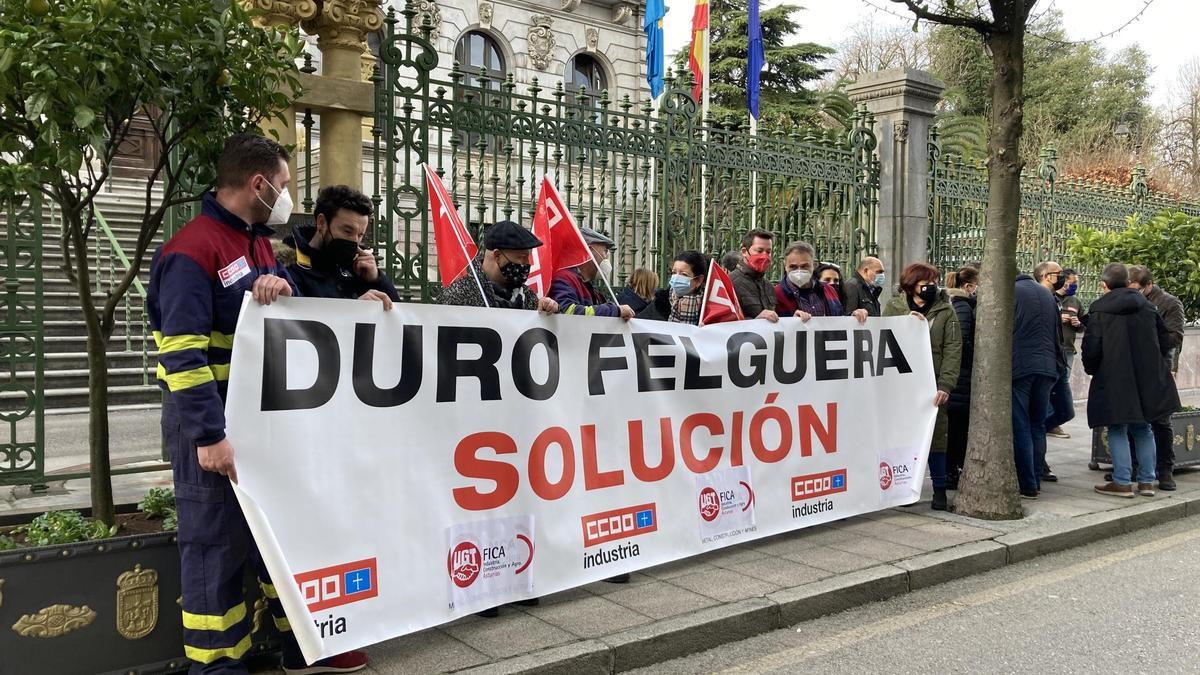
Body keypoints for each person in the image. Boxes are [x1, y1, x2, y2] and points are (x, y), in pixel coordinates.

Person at [147, 134, 367, 674]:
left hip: (260, 420)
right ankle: (219, 663)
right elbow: (182, 353)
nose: (288, 196)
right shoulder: (192, 250)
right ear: (258, 184)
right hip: (213, 424)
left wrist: (282, 286)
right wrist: (207, 435)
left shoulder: (256, 243)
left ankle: (302, 647)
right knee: (214, 545)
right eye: (286, 185)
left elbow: (277, 312)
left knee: (278, 534)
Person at [1085, 263, 1180, 498]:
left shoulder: (1099, 310)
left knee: (1117, 426)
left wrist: (1091, 369)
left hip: (1114, 376)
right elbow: (1165, 340)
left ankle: (1123, 482)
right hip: (1147, 376)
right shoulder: (1148, 307)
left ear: (1104, 285)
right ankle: (1147, 482)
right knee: (1144, 426)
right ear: (1128, 283)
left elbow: (1092, 347)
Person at [883, 262, 961, 511]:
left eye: (934, 282)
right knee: (904, 436)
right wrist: (907, 322)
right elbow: (883, 337)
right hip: (901, 384)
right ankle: (904, 488)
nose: (931, 287)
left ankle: (939, 490)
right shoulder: (894, 307)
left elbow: (952, 350)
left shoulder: (945, 311)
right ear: (911, 284)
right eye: (925, 283)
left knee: (936, 436)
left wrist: (945, 384)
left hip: (932, 384)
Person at [286, 185, 400, 307]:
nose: (354, 241)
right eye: (347, 231)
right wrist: (353, 309)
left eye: (360, 235)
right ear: (322, 223)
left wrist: (377, 280)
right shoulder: (288, 265)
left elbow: (399, 317)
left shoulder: (358, 269)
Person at [1128, 265, 1185, 490]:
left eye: (1135, 289)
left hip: (1158, 367)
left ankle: (1164, 470)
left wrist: (1148, 338)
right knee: (1132, 417)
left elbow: (1175, 337)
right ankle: (1133, 467)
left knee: (1161, 421)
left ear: (1148, 286)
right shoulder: (1129, 302)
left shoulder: (1169, 303)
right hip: (1132, 366)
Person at [1011, 267, 1062, 499]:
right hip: (1048, 367)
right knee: (1038, 425)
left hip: (1021, 367)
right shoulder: (1046, 294)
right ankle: (1037, 476)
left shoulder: (1010, 292)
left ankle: (1027, 483)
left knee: (1021, 424)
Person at [438, 220, 559, 313]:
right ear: (497, 256)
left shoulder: (527, 295)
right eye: (522, 257)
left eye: (528, 257)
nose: (527, 263)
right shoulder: (458, 295)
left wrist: (550, 310)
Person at [1033, 261, 1071, 482]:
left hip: (1057, 363)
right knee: (1038, 418)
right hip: (1044, 365)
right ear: (1046, 276)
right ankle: (1039, 463)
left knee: (1065, 411)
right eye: (1059, 274)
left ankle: (1036, 452)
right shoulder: (1038, 297)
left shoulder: (1055, 299)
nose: (1063, 278)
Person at [550, 228, 634, 320]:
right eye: (605, 251)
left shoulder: (587, 285)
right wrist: (615, 310)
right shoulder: (564, 278)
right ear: (588, 251)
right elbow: (566, 312)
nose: (606, 257)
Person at [945, 266, 979, 490]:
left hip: (957, 377)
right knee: (957, 429)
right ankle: (952, 472)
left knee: (954, 429)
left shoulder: (952, 304)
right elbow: (963, 341)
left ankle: (951, 470)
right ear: (968, 286)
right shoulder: (964, 307)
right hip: (962, 377)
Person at [774, 242, 843, 319]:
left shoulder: (829, 290)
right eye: (793, 267)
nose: (799, 271)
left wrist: (852, 317)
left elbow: (840, 320)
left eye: (804, 266)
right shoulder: (776, 294)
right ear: (785, 266)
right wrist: (790, 321)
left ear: (813, 265)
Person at [729, 228, 779, 321]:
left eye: (768, 252)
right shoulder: (730, 283)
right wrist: (755, 321)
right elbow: (723, 322)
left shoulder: (768, 286)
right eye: (759, 251)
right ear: (744, 252)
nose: (765, 256)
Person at [665, 250, 708, 324]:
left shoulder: (709, 309)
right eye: (674, 273)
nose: (676, 278)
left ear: (699, 280)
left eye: (684, 274)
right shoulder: (661, 300)